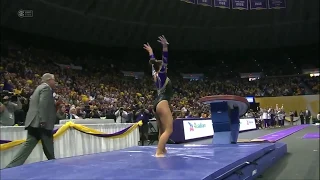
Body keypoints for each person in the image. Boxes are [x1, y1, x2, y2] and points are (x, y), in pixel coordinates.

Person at [6, 73, 57, 168]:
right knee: (48, 144)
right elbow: (43, 105)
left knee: (28, 146)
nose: (55, 82)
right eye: (53, 80)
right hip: (40, 123)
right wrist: (43, 120)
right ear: (49, 80)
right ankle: (54, 164)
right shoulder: (46, 89)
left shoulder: (38, 88)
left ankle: (10, 167)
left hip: (33, 121)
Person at [143, 35, 173, 157]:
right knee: (169, 129)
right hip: (162, 102)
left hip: (156, 103)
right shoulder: (161, 74)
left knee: (161, 129)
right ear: (161, 68)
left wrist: (151, 53)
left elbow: (153, 64)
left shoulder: (155, 74)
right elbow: (164, 60)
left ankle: (163, 149)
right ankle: (159, 152)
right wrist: (165, 47)